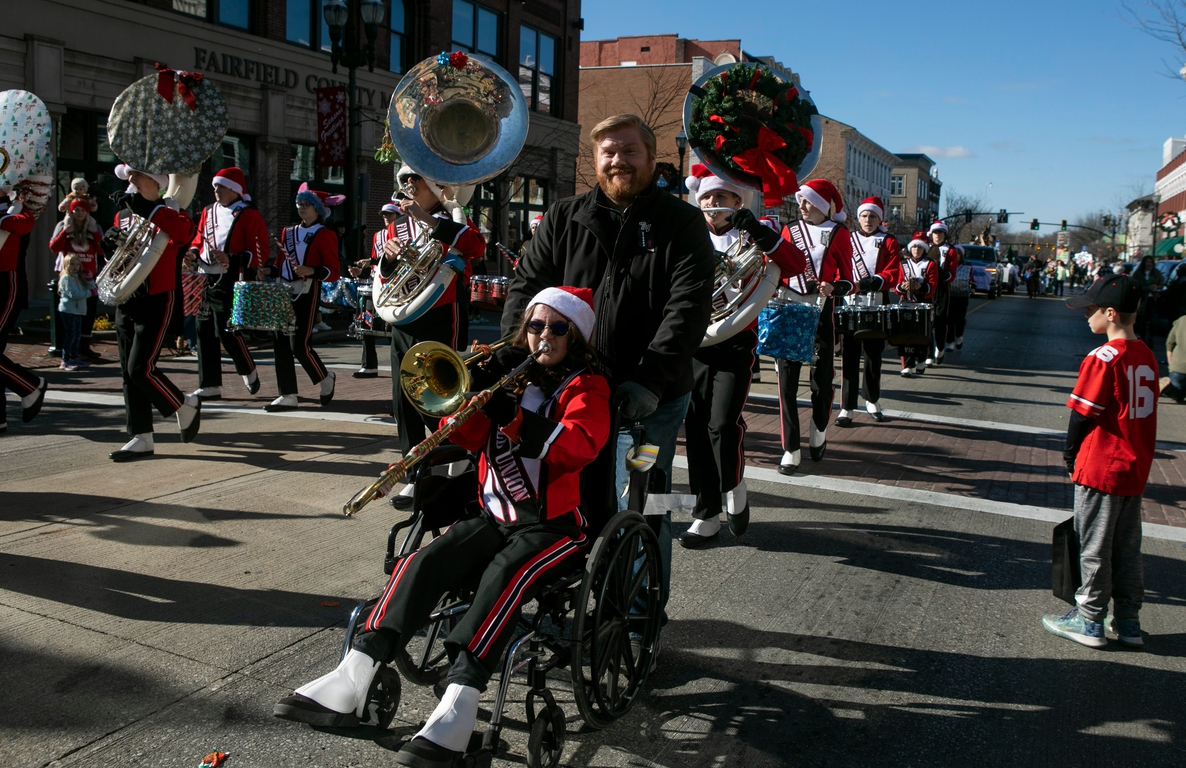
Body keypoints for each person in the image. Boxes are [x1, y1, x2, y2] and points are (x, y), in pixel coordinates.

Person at [275, 287, 610, 768]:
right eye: (536, 325)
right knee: (425, 559)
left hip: (554, 526)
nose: (544, 336)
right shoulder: (511, 376)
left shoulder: (586, 386)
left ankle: (461, 699)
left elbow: (579, 446)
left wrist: (514, 418)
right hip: (494, 514)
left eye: (558, 328)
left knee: (504, 577)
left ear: (575, 337)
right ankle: (356, 669)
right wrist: (471, 393)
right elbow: (466, 436)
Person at [499, 113, 714, 613]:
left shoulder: (681, 223)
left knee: (644, 501)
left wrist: (649, 380)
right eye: (608, 153)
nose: (618, 161)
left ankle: (639, 614)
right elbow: (527, 288)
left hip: (651, 399)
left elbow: (688, 309)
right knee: (565, 496)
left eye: (629, 151)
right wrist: (515, 355)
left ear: (651, 158)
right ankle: (565, 599)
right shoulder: (563, 217)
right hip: (570, 391)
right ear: (595, 161)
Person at [677, 165, 805, 548]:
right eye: (707, 199)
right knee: (697, 428)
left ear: (737, 202)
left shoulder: (754, 235)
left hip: (735, 342)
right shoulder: (689, 234)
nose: (713, 205)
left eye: (721, 198)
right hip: (695, 343)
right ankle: (706, 515)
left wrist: (761, 233)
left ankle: (734, 485)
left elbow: (795, 267)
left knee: (722, 424)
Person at [1044, 275, 1157, 649]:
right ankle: (1128, 620)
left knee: (1093, 545)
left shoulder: (1103, 357)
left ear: (1110, 314)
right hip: (1134, 467)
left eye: (1091, 309)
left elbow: (1082, 414)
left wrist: (1069, 452)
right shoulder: (1146, 354)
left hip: (1101, 465)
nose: (1085, 315)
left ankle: (1089, 618)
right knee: (1127, 548)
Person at [380, 167, 486, 508]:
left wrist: (429, 219)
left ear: (439, 187)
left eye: (416, 180)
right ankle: (415, 474)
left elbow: (475, 247)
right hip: (402, 320)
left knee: (439, 396)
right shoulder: (395, 226)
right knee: (402, 399)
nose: (408, 186)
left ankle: (459, 454)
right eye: (404, 181)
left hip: (442, 314)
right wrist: (388, 259)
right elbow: (381, 274)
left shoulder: (453, 219)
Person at [107, 165, 201, 461]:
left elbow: (183, 234)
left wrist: (148, 208)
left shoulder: (172, 211)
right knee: (127, 372)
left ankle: (183, 406)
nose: (131, 180)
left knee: (140, 369)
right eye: (131, 176)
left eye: (138, 175)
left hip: (159, 297)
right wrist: (108, 241)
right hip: (128, 297)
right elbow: (120, 256)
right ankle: (141, 436)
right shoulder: (124, 215)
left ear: (157, 183)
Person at [775, 179, 853, 473]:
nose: (801, 206)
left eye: (807, 201)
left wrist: (833, 287)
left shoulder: (839, 233)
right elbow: (778, 268)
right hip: (790, 308)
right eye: (800, 201)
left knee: (821, 380)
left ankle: (819, 428)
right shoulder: (789, 229)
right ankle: (790, 448)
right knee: (787, 382)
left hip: (821, 312)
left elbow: (848, 279)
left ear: (821, 205)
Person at [185, 167, 269, 401]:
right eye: (215, 187)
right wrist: (192, 253)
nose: (216, 190)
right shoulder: (207, 211)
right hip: (205, 276)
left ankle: (247, 368)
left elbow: (260, 249)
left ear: (233, 189)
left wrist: (232, 258)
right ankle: (209, 384)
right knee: (203, 330)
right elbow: (198, 238)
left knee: (226, 330)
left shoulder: (249, 214)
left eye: (220, 186)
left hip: (231, 277)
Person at [258, 183, 340, 412]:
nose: (302, 208)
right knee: (280, 342)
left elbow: (333, 271)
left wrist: (311, 270)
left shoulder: (326, 234)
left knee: (300, 345)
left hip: (306, 291)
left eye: (307, 205)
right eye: (300, 204)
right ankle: (287, 394)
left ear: (318, 209)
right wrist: (269, 271)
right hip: (283, 291)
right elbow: (280, 264)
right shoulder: (288, 232)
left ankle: (324, 377)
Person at [836, 196, 902, 427]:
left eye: (872, 216)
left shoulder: (889, 241)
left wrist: (877, 280)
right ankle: (846, 406)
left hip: (877, 301)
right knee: (849, 354)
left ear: (879, 219)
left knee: (873, 353)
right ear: (858, 218)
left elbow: (894, 271)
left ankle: (872, 399)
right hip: (851, 301)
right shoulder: (848, 238)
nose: (868, 220)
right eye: (864, 216)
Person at [352, 201, 401, 378]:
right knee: (367, 322)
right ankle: (369, 365)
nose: (387, 218)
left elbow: (399, 259)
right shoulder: (378, 236)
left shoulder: (403, 234)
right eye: (385, 215)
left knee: (392, 327)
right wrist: (361, 270)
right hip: (377, 283)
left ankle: (401, 364)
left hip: (397, 285)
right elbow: (376, 262)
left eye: (390, 214)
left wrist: (371, 261)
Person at [49, 199, 103, 359]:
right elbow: (54, 248)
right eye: (76, 210)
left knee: (88, 313)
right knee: (71, 312)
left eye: (82, 210)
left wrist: (95, 232)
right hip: (70, 277)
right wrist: (65, 232)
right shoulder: (63, 226)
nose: (79, 213)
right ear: (71, 211)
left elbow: (102, 251)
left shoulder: (94, 227)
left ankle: (84, 347)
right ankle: (70, 350)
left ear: (88, 212)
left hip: (88, 277)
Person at [896, 232, 939, 377]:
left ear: (924, 249)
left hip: (924, 304)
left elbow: (932, 286)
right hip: (906, 302)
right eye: (914, 247)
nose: (916, 250)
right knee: (905, 334)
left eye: (919, 247)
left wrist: (920, 286)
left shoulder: (931, 264)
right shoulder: (903, 264)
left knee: (923, 333)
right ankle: (907, 364)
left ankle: (921, 359)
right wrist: (904, 286)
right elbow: (897, 285)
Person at [926, 220, 958, 365]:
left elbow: (951, 275)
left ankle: (940, 347)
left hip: (941, 288)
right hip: (926, 289)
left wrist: (937, 270)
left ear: (945, 234)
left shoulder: (951, 250)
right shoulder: (925, 247)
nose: (937, 235)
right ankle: (928, 354)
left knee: (939, 320)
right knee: (926, 322)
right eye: (935, 232)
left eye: (940, 233)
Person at [57, 253, 90, 370]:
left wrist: (89, 278)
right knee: (70, 335)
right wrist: (90, 293)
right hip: (69, 310)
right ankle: (65, 360)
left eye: (77, 264)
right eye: (72, 264)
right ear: (66, 265)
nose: (75, 267)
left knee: (77, 335)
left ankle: (75, 357)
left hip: (78, 310)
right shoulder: (66, 278)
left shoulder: (78, 277)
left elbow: (90, 287)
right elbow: (74, 294)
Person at [1131, 254, 1164, 340]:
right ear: (1144, 263)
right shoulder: (1138, 273)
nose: (1150, 264)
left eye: (1151, 262)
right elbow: (1135, 285)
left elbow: (1161, 284)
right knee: (1142, 320)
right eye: (1148, 262)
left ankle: (1150, 337)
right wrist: (1147, 288)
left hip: (1153, 299)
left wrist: (1157, 287)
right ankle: (1142, 338)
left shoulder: (1156, 273)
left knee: (1153, 320)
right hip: (1142, 300)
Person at [1164, 313, 1186, 403]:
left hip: (1177, 370)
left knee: (1176, 397)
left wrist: (1171, 363)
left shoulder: (1181, 320)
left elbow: (1169, 343)